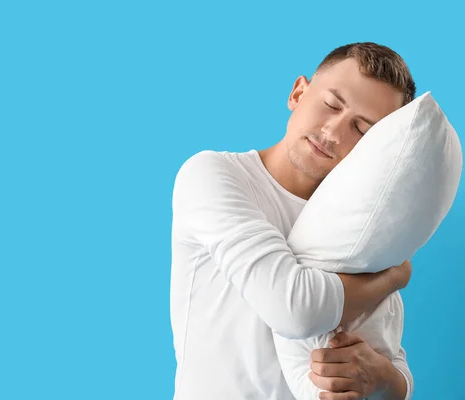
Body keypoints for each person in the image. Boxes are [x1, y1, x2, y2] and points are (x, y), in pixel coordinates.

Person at [169, 42, 416, 400]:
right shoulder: (213, 175)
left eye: (362, 129)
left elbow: (391, 356)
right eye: (331, 105)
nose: (333, 133)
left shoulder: (362, 224)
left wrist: (382, 379)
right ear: (298, 93)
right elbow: (293, 309)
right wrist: (393, 276)